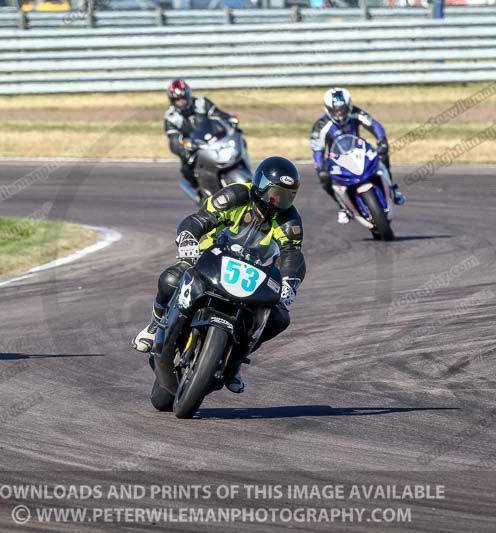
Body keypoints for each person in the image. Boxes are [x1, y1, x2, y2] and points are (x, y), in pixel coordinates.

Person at [133, 156, 306, 393]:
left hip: (252, 275)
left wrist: (289, 282)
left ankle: (235, 362)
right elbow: (200, 219)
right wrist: (188, 240)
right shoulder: (235, 196)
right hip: (211, 258)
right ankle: (155, 325)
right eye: (276, 193)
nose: (280, 201)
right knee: (171, 279)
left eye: (288, 196)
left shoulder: (290, 219)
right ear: (261, 186)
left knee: (279, 318)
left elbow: (291, 253)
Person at [311, 87, 405, 224]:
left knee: (383, 155)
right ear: (328, 109)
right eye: (335, 110)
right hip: (337, 159)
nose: (339, 113)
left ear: (348, 106)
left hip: (359, 150)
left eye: (342, 109)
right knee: (325, 180)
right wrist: (320, 168)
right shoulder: (321, 125)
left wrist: (381, 140)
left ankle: (392, 190)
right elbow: (317, 149)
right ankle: (343, 208)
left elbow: (374, 124)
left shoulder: (356, 113)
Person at [164, 79, 239, 195]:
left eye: (183, 97)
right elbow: (174, 141)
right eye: (177, 99)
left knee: (239, 140)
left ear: (188, 94)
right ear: (172, 100)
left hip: (215, 141)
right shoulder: (171, 117)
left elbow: (219, 115)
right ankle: (202, 195)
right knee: (187, 170)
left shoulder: (201, 103)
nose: (181, 101)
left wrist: (230, 120)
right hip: (194, 150)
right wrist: (183, 148)